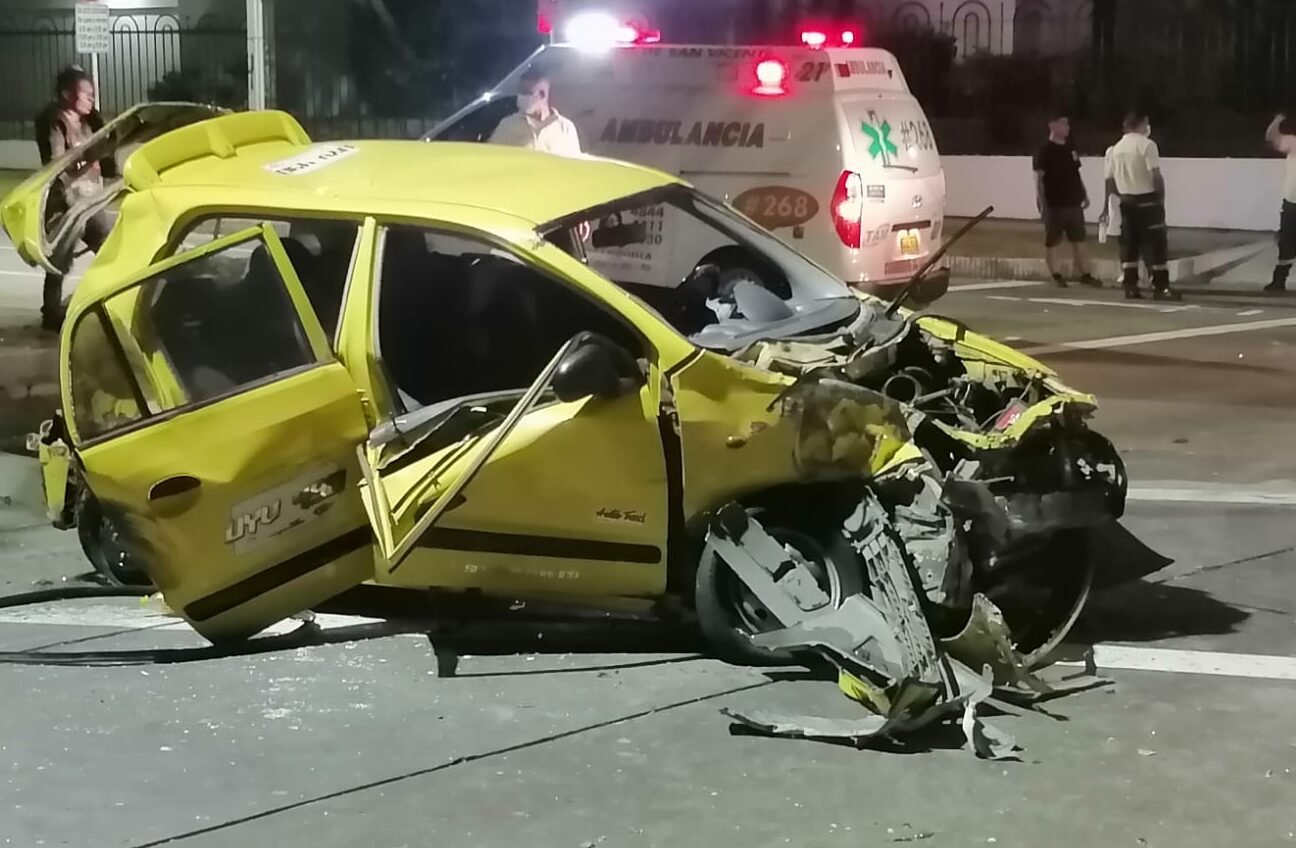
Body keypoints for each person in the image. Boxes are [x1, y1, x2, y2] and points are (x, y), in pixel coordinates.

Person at [33, 66, 110, 331]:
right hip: (65, 202)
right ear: (67, 94)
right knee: (60, 260)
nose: (91, 98)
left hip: (90, 200)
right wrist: (85, 161)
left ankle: (108, 300)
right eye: (85, 93)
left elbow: (104, 159)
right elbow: (56, 165)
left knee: (109, 248)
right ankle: (51, 312)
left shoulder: (89, 124)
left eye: (92, 93)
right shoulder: (56, 123)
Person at [1099, 112, 1180, 301]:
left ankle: (1130, 286)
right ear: (1141, 124)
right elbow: (1156, 175)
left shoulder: (1115, 149)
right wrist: (1160, 198)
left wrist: (1122, 194)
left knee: (1130, 245)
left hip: (1127, 202)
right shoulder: (1147, 145)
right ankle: (1161, 286)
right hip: (1148, 201)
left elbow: (1110, 181)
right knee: (1156, 244)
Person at [1032, 113, 1101, 288]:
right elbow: (1039, 178)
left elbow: (1076, 174)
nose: (1067, 128)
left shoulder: (1071, 149)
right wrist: (1041, 201)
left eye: (1068, 125)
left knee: (1079, 239)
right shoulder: (1044, 151)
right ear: (1052, 125)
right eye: (1063, 124)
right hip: (1055, 203)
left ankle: (1085, 274)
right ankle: (1056, 274)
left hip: (1074, 203)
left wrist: (1084, 194)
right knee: (1053, 241)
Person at [488, 67, 583, 157]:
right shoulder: (507, 126)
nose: (521, 97)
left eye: (526, 93)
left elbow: (574, 163)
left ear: (542, 94)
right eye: (520, 92)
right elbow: (490, 157)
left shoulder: (565, 128)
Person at [1264, 112, 1296, 293]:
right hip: (1292, 202)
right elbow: (1271, 138)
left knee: (1287, 242)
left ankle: (1279, 280)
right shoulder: (1293, 142)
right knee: (1286, 243)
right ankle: (1279, 280)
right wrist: (1277, 121)